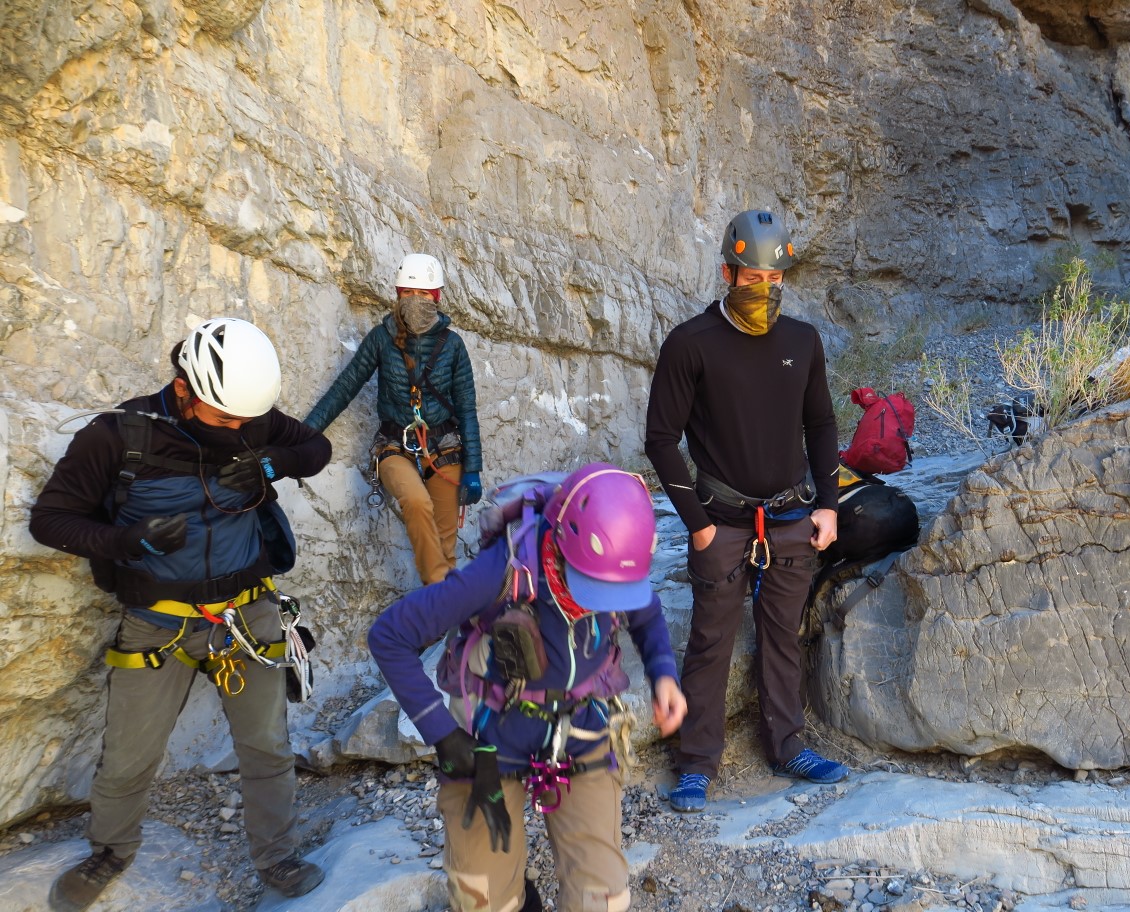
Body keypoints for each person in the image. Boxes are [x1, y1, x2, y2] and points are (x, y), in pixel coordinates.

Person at [30, 318, 331, 910]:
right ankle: (111, 851)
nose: (237, 431)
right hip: (158, 623)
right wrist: (128, 540)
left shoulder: (247, 418)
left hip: (247, 618)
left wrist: (269, 461)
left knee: (267, 746)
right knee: (128, 755)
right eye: (226, 422)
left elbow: (315, 448)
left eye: (246, 423)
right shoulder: (117, 437)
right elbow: (51, 519)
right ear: (185, 388)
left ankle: (277, 855)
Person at [368, 463, 686, 912]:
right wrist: (443, 736)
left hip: (584, 732)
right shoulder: (497, 573)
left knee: (604, 901)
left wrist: (664, 673)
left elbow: (645, 611)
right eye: (588, 588)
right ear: (560, 545)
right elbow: (389, 636)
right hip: (488, 744)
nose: (594, 604)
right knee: (482, 902)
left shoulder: (616, 566)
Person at [644, 209, 846, 814]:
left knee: (783, 635)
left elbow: (821, 422)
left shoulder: (802, 341)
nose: (764, 287)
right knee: (712, 639)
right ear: (729, 272)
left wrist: (829, 506)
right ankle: (696, 763)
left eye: (774, 276)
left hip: (790, 515)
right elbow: (661, 438)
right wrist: (698, 524)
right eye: (751, 276)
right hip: (723, 520)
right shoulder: (690, 344)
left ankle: (787, 746)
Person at [306, 252, 484, 585]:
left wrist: (473, 469)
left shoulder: (453, 345)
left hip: (444, 449)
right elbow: (345, 387)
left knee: (446, 547)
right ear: (398, 294)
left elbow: (466, 408)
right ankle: (449, 598)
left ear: (437, 297)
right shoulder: (381, 338)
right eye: (409, 293)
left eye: (423, 294)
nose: (415, 300)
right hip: (394, 446)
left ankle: (442, 623)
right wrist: (303, 434)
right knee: (417, 503)